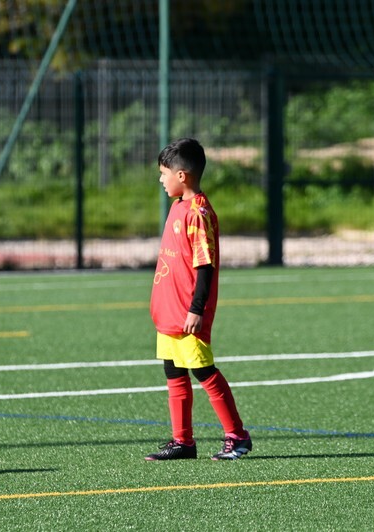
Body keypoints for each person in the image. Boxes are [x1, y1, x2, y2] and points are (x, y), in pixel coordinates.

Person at [146, 138, 252, 461]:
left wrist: (196, 308)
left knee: (203, 371)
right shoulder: (177, 207)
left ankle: (237, 436)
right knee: (173, 369)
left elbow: (205, 266)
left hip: (187, 312)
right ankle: (183, 442)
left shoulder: (198, 213)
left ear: (182, 176)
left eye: (164, 173)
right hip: (170, 310)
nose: (161, 179)